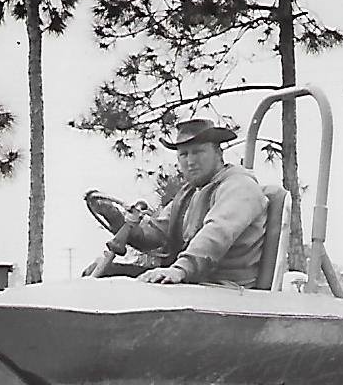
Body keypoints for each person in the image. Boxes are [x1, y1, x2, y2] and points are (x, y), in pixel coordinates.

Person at [85, 118, 269, 287]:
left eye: (198, 152)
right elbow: (153, 235)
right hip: (191, 281)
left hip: (224, 289)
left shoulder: (240, 186)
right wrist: (115, 217)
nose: (190, 161)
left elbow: (216, 234)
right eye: (184, 154)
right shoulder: (189, 194)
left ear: (218, 153)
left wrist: (179, 269)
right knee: (100, 273)